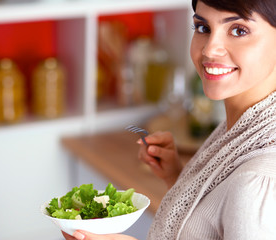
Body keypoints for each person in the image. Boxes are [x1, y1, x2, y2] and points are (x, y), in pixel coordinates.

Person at [63, 0, 276, 239]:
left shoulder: (258, 180)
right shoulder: (244, 127)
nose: (209, 50)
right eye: (203, 28)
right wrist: (177, 175)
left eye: (239, 30)